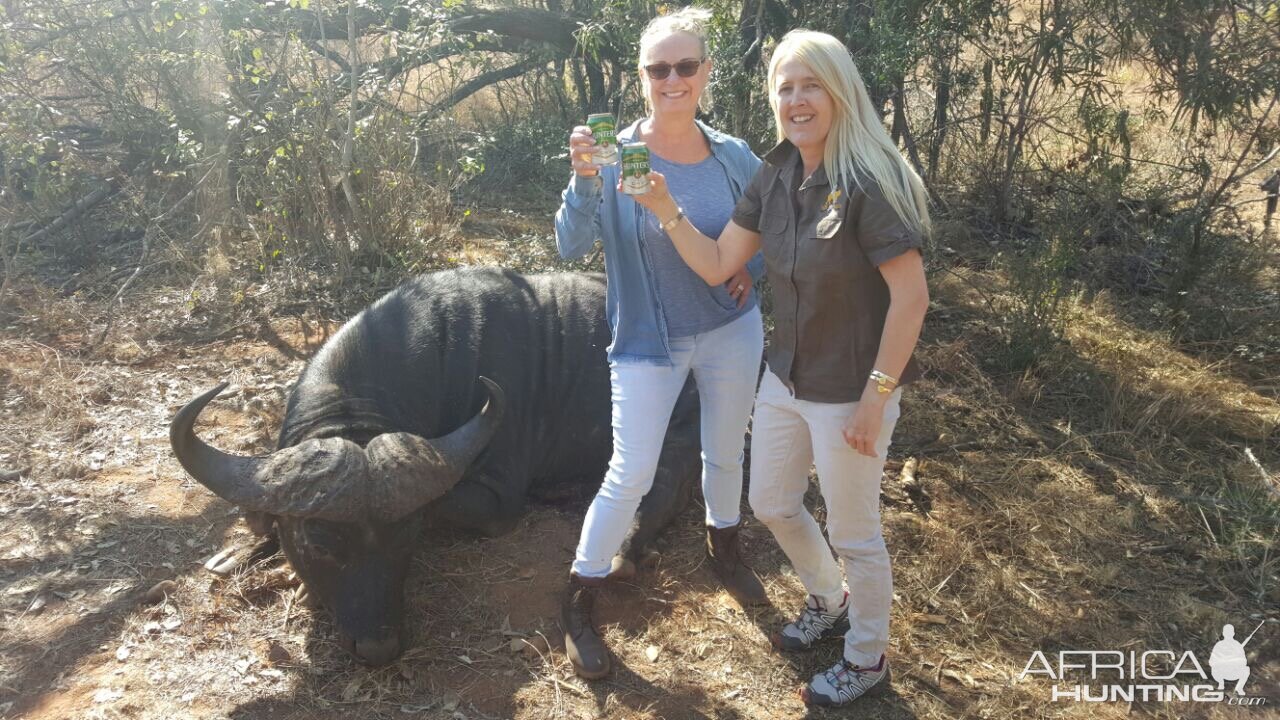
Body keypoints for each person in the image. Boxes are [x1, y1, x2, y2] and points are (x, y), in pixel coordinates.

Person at [630, 29, 930, 707]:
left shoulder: (867, 182)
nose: (796, 100)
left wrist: (877, 398)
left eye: (809, 85)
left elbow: (911, 299)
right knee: (768, 500)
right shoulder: (776, 174)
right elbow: (716, 264)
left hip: (851, 390)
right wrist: (665, 208)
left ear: (839, 91)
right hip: (786, 378)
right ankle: (830, 596)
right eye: (785, 88)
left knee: (857, 533)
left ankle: (867, 656)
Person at [553, 7, 769, 680]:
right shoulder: (617, 152)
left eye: (685, 66)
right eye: (658, 68)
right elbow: (569, 245)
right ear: (642, 76)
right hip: (650, 340)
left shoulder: (733, 155)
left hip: (731, 330)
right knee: (632, 472)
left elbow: (767, 226)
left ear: (705, 73)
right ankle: (580, 600)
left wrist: (748, 273)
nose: (672, 79)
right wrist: (584, 180)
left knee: (725, 449)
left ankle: (724, 549)